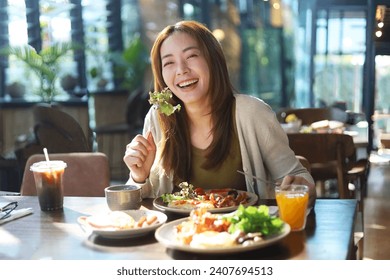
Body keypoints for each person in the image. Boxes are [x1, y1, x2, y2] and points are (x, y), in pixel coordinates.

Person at [123, 20, 316, 207]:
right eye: (169, 63)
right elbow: (134, 210)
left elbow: (301, 182)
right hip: (178, 235)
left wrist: (300, 187)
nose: (181, 70)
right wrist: (138, 176)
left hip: (244, 235)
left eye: (191, 56)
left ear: (213, 59)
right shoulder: (158, 118)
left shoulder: (252, 113)